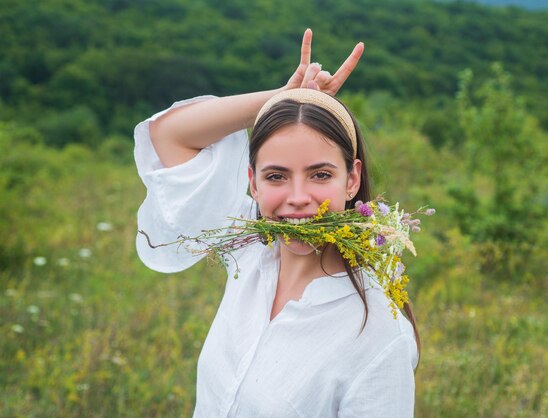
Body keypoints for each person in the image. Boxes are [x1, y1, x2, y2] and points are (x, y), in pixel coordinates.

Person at [134, 29, 419, 417]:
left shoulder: (379, 334)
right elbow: (168, 135)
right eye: (276, 176)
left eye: (320, 175)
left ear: (352, 179)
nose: (297, 197)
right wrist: (279, 100)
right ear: (252, 183)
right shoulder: (251, 254)